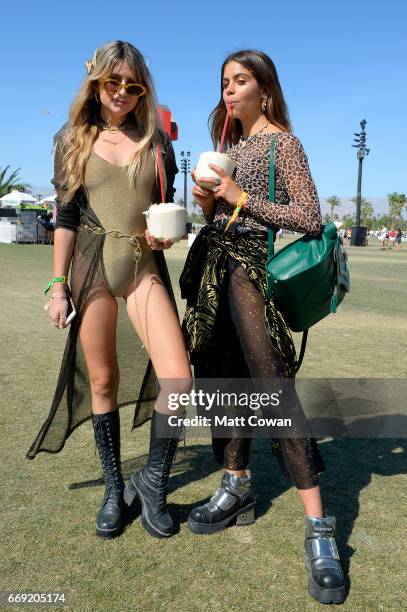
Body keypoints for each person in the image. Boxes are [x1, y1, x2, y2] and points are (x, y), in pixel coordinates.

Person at [180, 50, 345, 604]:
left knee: (272, 387)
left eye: (241, 81)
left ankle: (320, 531)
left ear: (265, 90)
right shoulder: (230, 149)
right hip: (215, 272)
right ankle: (237, 486)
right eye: (224, 82)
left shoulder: (282, 144)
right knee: (222, 381)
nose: (229, 90)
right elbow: (220, 217)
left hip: (254, 272)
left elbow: (309, 216)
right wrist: (209, 203)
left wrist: (240, 197)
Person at [26, 41, 191, 540]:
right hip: (91, 268)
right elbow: (68, 217)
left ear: (143, 90)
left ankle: (154, 483)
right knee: (102, 382)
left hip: (142, 267)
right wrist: (58, 285)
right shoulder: (73, 138)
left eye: (132, 85)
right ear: (96, 83)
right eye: (112, 82)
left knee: (179, 380)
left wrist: (171, 232)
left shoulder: (157, 143)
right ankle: (114, 488)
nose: (121, 92)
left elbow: (165, 210)